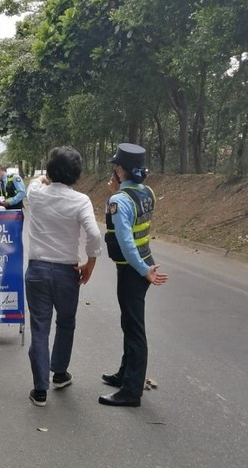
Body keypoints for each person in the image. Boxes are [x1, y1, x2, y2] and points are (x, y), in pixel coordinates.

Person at [24, 146, 102, 407]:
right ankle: (59, 373)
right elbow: (94, 234)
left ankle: (40, 390)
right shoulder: (81, 201)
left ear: (50, 170)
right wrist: (91, 262)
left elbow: (35, 183)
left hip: (37, 271)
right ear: (77, 174)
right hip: (67, 273)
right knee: (66, 322)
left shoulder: (36, 194)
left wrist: (44, 179)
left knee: (40, 328)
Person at [99, 143, 168, 408]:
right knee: (129, 323)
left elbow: (126, 242)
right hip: (144, 263)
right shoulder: (147, 192)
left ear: (120, 170)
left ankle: (131, 391)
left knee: (134, 328)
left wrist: (142, 271)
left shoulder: (119, 201)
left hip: (134, 268)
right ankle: (124, 374)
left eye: (115, 168)